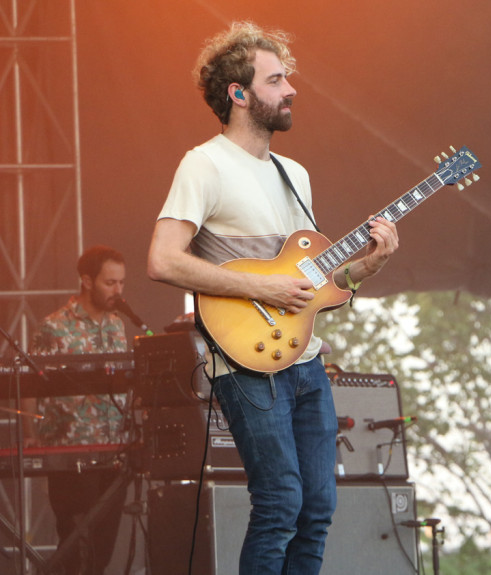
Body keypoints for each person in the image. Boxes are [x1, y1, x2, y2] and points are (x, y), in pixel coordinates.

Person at [146, 22, 398, 574]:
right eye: (277, 79)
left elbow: (309, 283)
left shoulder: (295, 174)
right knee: (280, 504)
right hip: (244, 364)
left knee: (318, 509)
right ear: (239, 94)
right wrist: (263, 287)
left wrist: (363, 270)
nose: (291, 90)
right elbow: (163, 260)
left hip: (305, 360)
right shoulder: (204, 164)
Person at [30, 245, 132, 575]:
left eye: (121, 283)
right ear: (86, 281)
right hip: (69, 452)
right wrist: (37, 438)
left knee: (102, 550)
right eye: (110, 283)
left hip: (113, 451)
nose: (118, 290)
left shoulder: (118, 325)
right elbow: (30, 389)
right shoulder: (54, 327)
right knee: (74, 545)